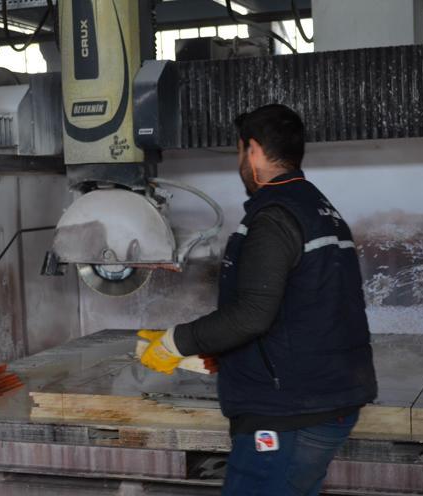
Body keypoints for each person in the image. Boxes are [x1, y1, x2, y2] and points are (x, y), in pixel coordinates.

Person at [138, 104, 377, 496]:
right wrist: (226, 350)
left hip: (287, 414)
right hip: (326, 400)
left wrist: (175, 342)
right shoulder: (321, 211)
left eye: (239, 151)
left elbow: (251, 315)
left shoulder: (273, 217)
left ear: (253, 151)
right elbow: (306, 309)